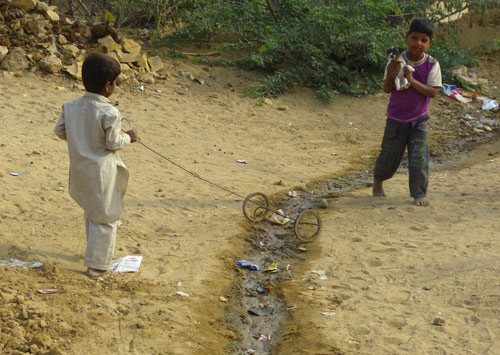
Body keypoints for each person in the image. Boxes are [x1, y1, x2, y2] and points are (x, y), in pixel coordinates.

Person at [54, 53, 137, 277]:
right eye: (116, 82)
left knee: (92, 212)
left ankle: (93, 254)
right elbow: (113, 142)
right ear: (109, 86)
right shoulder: (109, 111)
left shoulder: (70, 106)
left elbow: (59, 131)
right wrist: (129, 137)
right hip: (102, 173)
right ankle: (97, 267)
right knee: (105, 218)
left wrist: (80, 139)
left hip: (80, 172)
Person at [372, 17, 442, 206]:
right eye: (414, 38)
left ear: (429, 43)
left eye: (423, 40)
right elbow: (387, 88)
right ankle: (378, 180)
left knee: (419, 158)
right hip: (396, 119)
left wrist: (411, 80)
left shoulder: (432, 65)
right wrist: (393, 75)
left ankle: (419, 193)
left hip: (419, 119)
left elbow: (433, 92)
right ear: (407, 37)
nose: (418, 43)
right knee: (389, 156)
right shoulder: (396, 61)